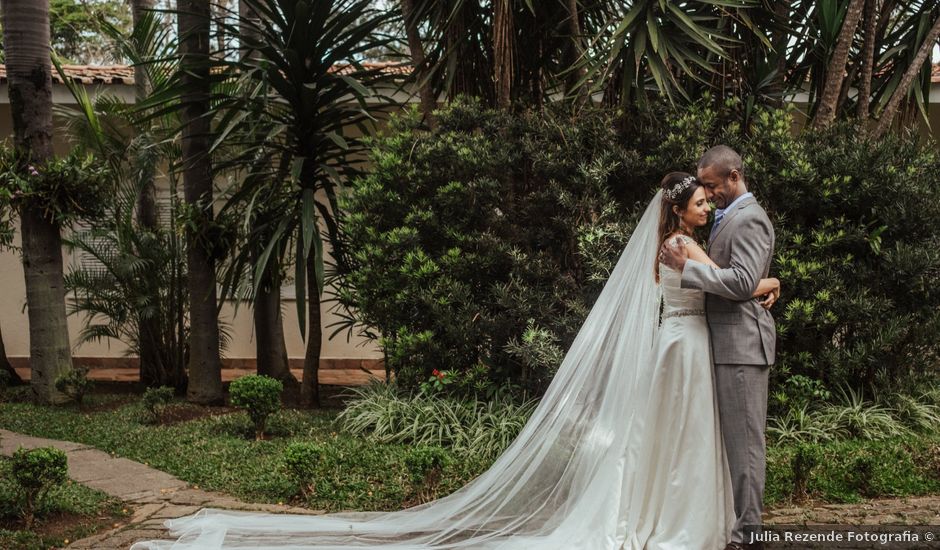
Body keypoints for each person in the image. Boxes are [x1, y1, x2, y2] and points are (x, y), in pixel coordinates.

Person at [131, 171, 779, 550]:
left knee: (678, 437)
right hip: (683, 343)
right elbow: (723, 281)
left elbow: (707, 281)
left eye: (707, 201)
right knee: (681, 437)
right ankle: (674, 523)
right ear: (680, 207)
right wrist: (766, 286)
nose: (707, 206)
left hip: (683, 341)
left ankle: (675, 515)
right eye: (700, 201)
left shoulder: (673, 244)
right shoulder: (679, 245)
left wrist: (741, 280)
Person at [660, 146, 777, 550]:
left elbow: (742, 283)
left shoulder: (750, 219)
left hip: (742, 345)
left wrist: (686, 269)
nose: (708, 195)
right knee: (730, 444)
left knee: (745, 446)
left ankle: (747, 536)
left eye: (711, 186)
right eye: (702, 190)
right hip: (721, 343)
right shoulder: (726, 218)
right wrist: (772, 282)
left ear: (734, 176)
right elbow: (741, 280)